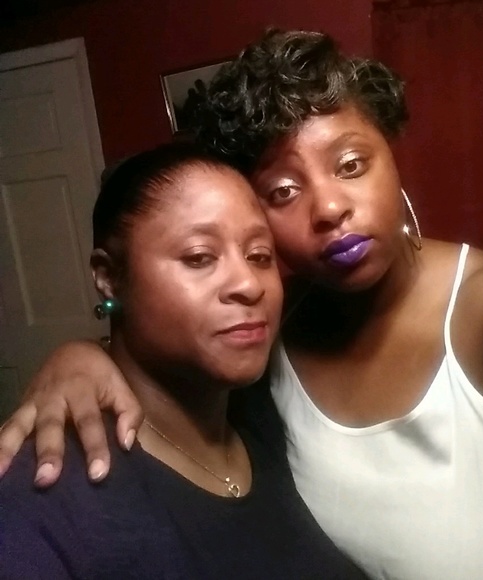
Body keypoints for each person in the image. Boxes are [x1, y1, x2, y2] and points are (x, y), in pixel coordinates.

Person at [1, 29, 483, 579]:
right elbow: (164, 353)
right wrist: (83, 355)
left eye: (351, 165)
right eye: (282, 191)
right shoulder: (269, 333)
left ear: (392, 154)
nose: (328, 208)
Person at [0, 141, 367, 579]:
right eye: (199, 257)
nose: (250, 284)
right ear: (109, 277)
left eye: (260, 256)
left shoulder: (267, 415)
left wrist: (79, 351)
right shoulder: (43, 495)